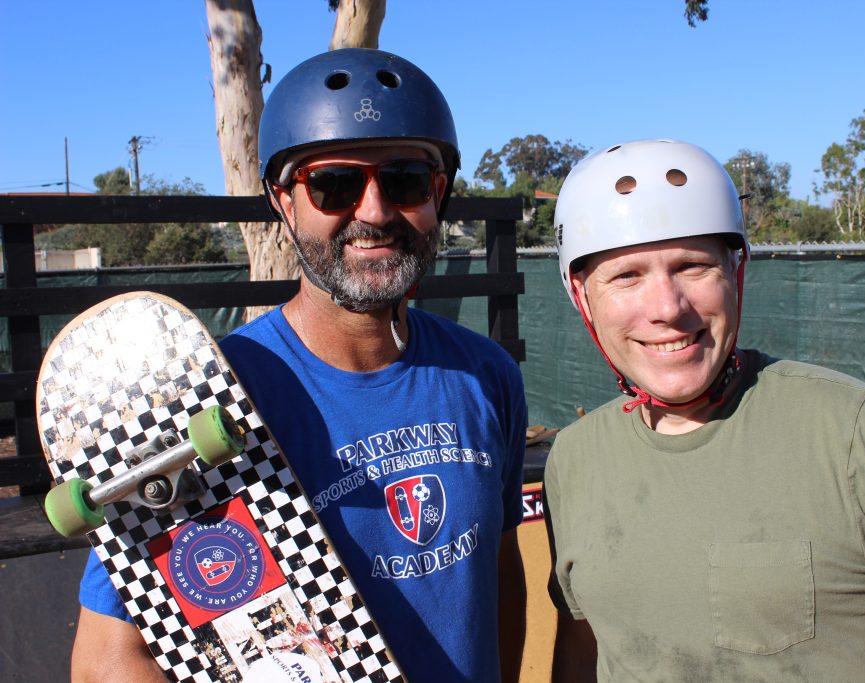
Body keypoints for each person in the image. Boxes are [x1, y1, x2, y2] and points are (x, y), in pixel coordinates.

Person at [71, 48, 527, 683]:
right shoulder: (206, 399)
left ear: (439, 193)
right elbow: (110, 660)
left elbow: (500, 579)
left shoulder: (487, 375)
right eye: (334, 183)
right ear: (284, 202)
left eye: (406, 180)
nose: (374, 212)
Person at [543, 138, 865, 682]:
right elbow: (583, 648)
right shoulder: (576, 457)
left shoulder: (850, 431)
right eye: (627, 276)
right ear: (583, 296)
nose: (667, 309)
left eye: (693, 266)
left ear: (734, 271)